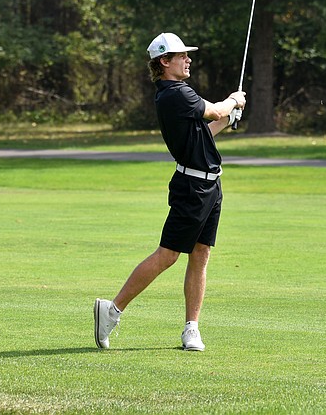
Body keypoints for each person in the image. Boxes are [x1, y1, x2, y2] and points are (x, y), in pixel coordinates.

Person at [94, 32, 246, 352]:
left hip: (210, 184)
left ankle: (192, 328)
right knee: (169, 255)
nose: (188, 59)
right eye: (182, 56)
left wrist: (228, 119)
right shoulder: (175, 93)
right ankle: (112, 310)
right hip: (192, 187)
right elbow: (215, 110)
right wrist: (233, 101)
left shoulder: (178, 94)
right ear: (165, 62)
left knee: (201, 254)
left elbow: (207, 128)